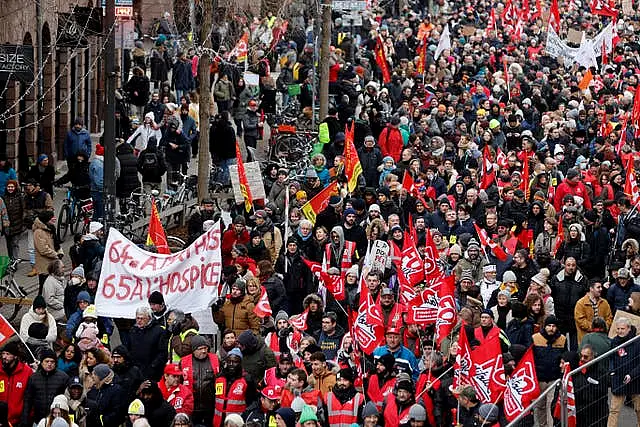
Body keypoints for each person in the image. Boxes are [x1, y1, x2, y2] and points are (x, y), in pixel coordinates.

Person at [532, 316, 567, 427]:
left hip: (554, 379)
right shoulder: (535, 338)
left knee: (552, 406)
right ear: (545, 326)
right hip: (539, 379)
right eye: (549, 326)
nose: (551, 328)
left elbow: (565, 358)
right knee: (539, 406)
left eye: (554, 326)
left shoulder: (562, 339)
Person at [21, 348, 70, 426]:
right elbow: (28, 400)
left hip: (56, 421)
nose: (49, 364)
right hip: (38, 420)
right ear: (42, 362)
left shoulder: (63, 377)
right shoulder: (34, 378)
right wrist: (24, 420)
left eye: (52, 362)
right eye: (47, 361)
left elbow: (67, 399)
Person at [179, 335, 219, 426]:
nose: (204, 351)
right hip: (192, 406)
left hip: (210, 406)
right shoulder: (184, 362)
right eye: (200, 349)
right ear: (193, 350)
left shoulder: (215, 359)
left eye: (205, 348)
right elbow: (180, 383)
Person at [127, 306, 169, 381]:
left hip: (152, 372)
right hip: (135, 371)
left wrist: (153, 366)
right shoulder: (133, 331)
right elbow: (128, 349)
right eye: (137, 318)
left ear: (149, 318)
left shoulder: (159, 331)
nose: (139, 321)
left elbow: (162, 352)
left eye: (142, 318)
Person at [24, 179, 54, 277]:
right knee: (31, 247)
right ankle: (34, 267)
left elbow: (50, 209)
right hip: (30, 225)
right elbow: (24, 210)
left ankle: (48, 265)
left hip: (42, 225)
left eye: (30, 185)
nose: (27, 187)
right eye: (27, 185)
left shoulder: (45, 195)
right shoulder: (26, 196)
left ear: (36, 186)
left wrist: (40, 215)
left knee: (45, 245)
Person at [213, 348, 250, 427]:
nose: (231, 364)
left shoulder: (246, 380)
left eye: (235, 362)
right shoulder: (219, 378)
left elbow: (252, 402)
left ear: (240, 363)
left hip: (235, 423)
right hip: (218, 422)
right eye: (229, 361)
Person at [0, 340, 33, 426]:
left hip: (18, 421)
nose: (4, 356)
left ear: (15, 356)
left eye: (8, 354)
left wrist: (25, 418)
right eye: (3, 353)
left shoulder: (27, 372)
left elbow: (29, 397)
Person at [574, 279, 613, 345]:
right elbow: (581, 321)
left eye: (601, 287)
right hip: (586, 341)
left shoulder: (604, 303)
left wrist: (603, 328)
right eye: (598, 287)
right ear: (591, 288)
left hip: (602, 340)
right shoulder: (580, 303)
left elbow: (609, 318)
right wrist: (595, 329)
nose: (601, 289)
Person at [33, 210, 61, 292]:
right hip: (44, 266)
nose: (54, 219)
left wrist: (60, 252)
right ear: (46, 220)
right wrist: (56, 255)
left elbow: (57, 243)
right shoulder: (38, 232)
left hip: (53, 264)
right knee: (44, 288)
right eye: (51, 218)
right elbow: (43, 250)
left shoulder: (51, 229)